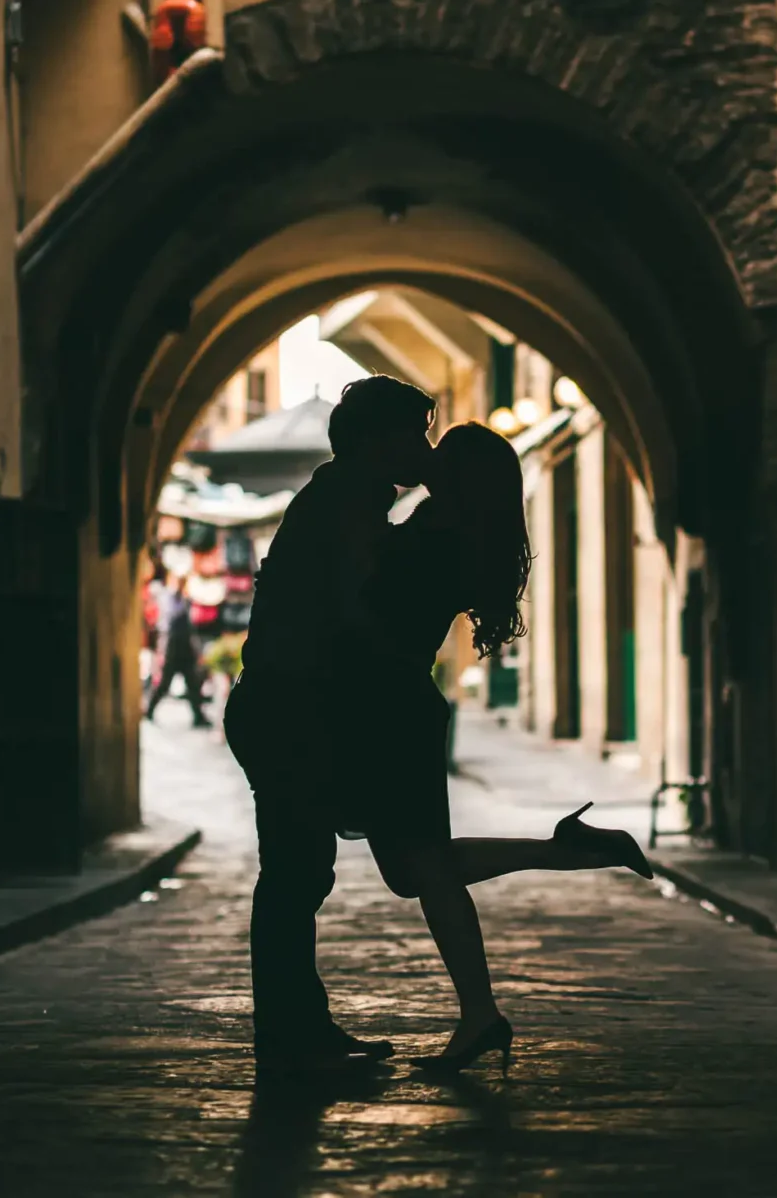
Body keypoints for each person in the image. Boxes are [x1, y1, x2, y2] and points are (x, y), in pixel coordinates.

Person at [345, 421, 653, 1078]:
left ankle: (481, 1012)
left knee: (420, 870)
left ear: (457, 476)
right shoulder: (461, 536)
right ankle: (568, 852)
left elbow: (366, 605)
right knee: (415, 870)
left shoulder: (433, 535)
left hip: (388, 711)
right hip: (400, 706)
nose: (428, 458)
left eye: (442, 455)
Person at [224, 375, 438, 1077]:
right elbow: (362, 610)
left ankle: (297, 1026)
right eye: (419, 433)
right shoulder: (347, 503)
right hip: (289, 711)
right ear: (382, 442)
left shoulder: (349, 498)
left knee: (297, 872)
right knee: (294, 873)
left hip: (287, 708)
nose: (426, 447)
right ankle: (289, 1033)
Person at [146, 569, 211, 728]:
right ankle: (150, 709)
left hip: (184, 648)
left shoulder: (186, 599)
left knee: (193, 684)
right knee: (165, 683)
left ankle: (198, 716)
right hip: (174, 647)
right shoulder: (171, 598)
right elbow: (171, 618)